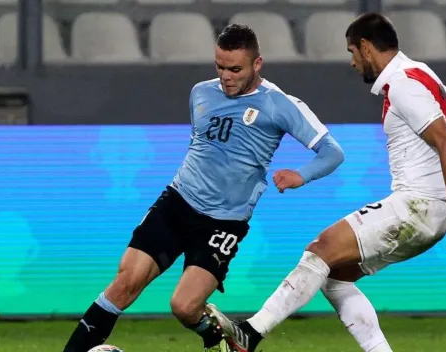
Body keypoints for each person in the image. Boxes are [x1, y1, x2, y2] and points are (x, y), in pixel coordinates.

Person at [62, 23, 344, 352]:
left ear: (257, 64)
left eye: (235, 69)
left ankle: (220, 337)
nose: (226, 76)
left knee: (183, 306)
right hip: (176, 203)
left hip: (222, 223)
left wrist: (301, 175)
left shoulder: (280, 105)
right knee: (124, 283)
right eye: (220, 67)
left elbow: (332, 152)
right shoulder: (201, 93)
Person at [206, 12, 446, 352]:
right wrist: (443, 181)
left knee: (321, 248)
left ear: (365, 47)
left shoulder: (404, 84)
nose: (353, 62)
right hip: (427, 208)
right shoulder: (421, 73)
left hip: (417, 207)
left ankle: (250, 333)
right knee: (333, 276)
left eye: (352, 52)